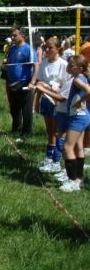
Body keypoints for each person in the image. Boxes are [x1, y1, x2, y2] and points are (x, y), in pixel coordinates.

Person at [33, 38, 68, 171]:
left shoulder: (63, 64)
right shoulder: (44, 64)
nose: (47, 50)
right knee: (49, 129)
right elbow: (39, 83)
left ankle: (56, 159)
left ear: (58, 49)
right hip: (46, 100)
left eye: (50, 48)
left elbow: (64, 86)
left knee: (57, 130)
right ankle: (49, 156)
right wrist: (36, 101)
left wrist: (51, 88)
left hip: (56, 100)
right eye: (46, 47)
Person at [58, 55, 90, 192]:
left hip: (78, 117)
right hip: (82, 116)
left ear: (79, 68)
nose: (68, 66)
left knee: (67, 148)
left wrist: (79, 102)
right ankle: (79, 179)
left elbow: (89, 91)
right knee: (78, 147)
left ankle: (72, 181)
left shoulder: (77, 79)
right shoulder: (80, 78)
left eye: (71, 64)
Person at [6, 26, 39, 143]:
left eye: (15, 35)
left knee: (26, 109)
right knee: (14, 108)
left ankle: (27, 133)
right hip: (13, 82)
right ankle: (16, 129)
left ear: (23, 36)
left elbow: (36, 65)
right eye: (12, 35)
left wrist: (32, 82)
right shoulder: (11, 49)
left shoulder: (28, 49)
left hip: (25, 82)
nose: (12, 37)